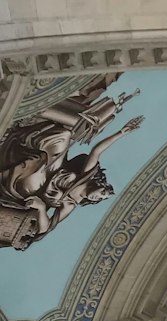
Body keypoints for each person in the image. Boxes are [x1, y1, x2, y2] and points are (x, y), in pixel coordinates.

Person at [0, 74, 143, 250]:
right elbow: (97, 150)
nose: (100, 195)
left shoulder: (70, 204)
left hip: (28, 189)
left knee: (34, 179)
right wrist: (122, 132)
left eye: (101, 197)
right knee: (63, 136)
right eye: (104, 192)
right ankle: (34, 114)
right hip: (53, 165)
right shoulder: (85, 176)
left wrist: (41, 209)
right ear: (101, 184)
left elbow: (44, 229)